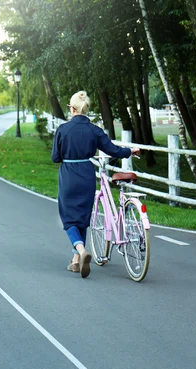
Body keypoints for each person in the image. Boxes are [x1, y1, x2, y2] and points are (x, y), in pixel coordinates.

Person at [51, 91, 139, 278]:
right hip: (87, 175)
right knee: (82, 217)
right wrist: (130, 151)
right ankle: (76, 262)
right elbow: (113, 150)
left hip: (68, 175)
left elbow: (55, 157)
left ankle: (82, 252)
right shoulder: (95, 130)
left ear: (72, 109)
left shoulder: (63, 129)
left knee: (69, 219)